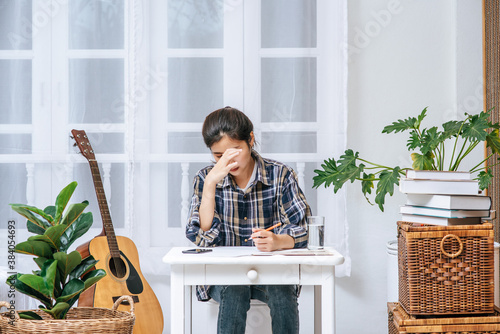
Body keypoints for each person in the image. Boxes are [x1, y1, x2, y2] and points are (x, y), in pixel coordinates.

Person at [186, 106, 311, 334]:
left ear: (250, 139)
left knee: (282, 289)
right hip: (222, 277)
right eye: (218, 156)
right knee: (235, 287)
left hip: (271, 273)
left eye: (235, 151)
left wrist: (278, 241)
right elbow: (201, 239)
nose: (228, 162)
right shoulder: (204, 178)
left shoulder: (280, 175)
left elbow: (304, 228)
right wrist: (211, 184)